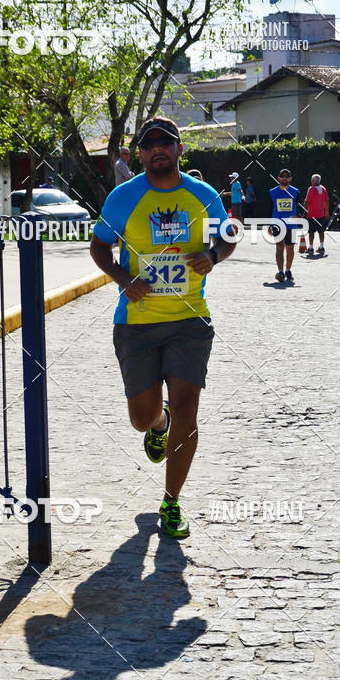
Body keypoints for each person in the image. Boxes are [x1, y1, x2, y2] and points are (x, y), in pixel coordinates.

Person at [90, 117, 236, 539]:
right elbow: (99, 246)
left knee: (188, 408)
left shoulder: (203, 195)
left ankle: (171, 503)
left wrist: (214, 254)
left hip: (190, 319)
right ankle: (158, 425)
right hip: (136, 322)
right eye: (149, 143)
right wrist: (124, 281)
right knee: (141, 417)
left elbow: (229, 235)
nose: (158, 149)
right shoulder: (124, 197)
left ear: (178, 149)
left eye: (165, 142)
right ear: (139, 153)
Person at [270, 169, 299, 283]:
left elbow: (302, 207)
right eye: (282, 176)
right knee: (279, 247)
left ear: (290, 179)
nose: (285, 178)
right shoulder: (273, 192)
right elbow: (269, 208)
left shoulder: (296, 192)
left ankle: (288, 270)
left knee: (290, 248)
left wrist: (299, 215)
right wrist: (269, 224)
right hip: (277, 224)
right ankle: (280, 271)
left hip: (291, 225)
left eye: (287, 176)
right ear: (278, 178)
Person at [304, 173, 329, 256]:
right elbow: (326, 201)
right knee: (321, 231)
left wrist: (304, 211)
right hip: (321, 214)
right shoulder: (324, 189)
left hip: (312, 214)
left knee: (311, 232)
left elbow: (307, 201)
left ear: (312, 181)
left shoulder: (311, 189)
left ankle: (311, 248)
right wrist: (326, 212)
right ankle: (322, 247)